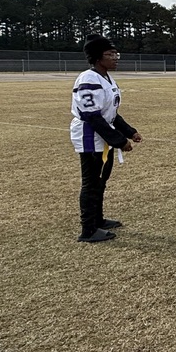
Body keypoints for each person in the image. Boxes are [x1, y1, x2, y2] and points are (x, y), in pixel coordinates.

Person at [70, 35, 143, 243]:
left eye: (115, 54)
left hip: (102, 134)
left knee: (101, 181)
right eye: (110, 54)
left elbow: (111, 113)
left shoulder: (106, 78)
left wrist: (130, 131)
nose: (115, 58)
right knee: (91, 182)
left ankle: (98, 220)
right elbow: (91, 115)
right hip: (90, 135)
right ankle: (88, 229)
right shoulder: (88, 79)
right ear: (97, 57)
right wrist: (119, 141)